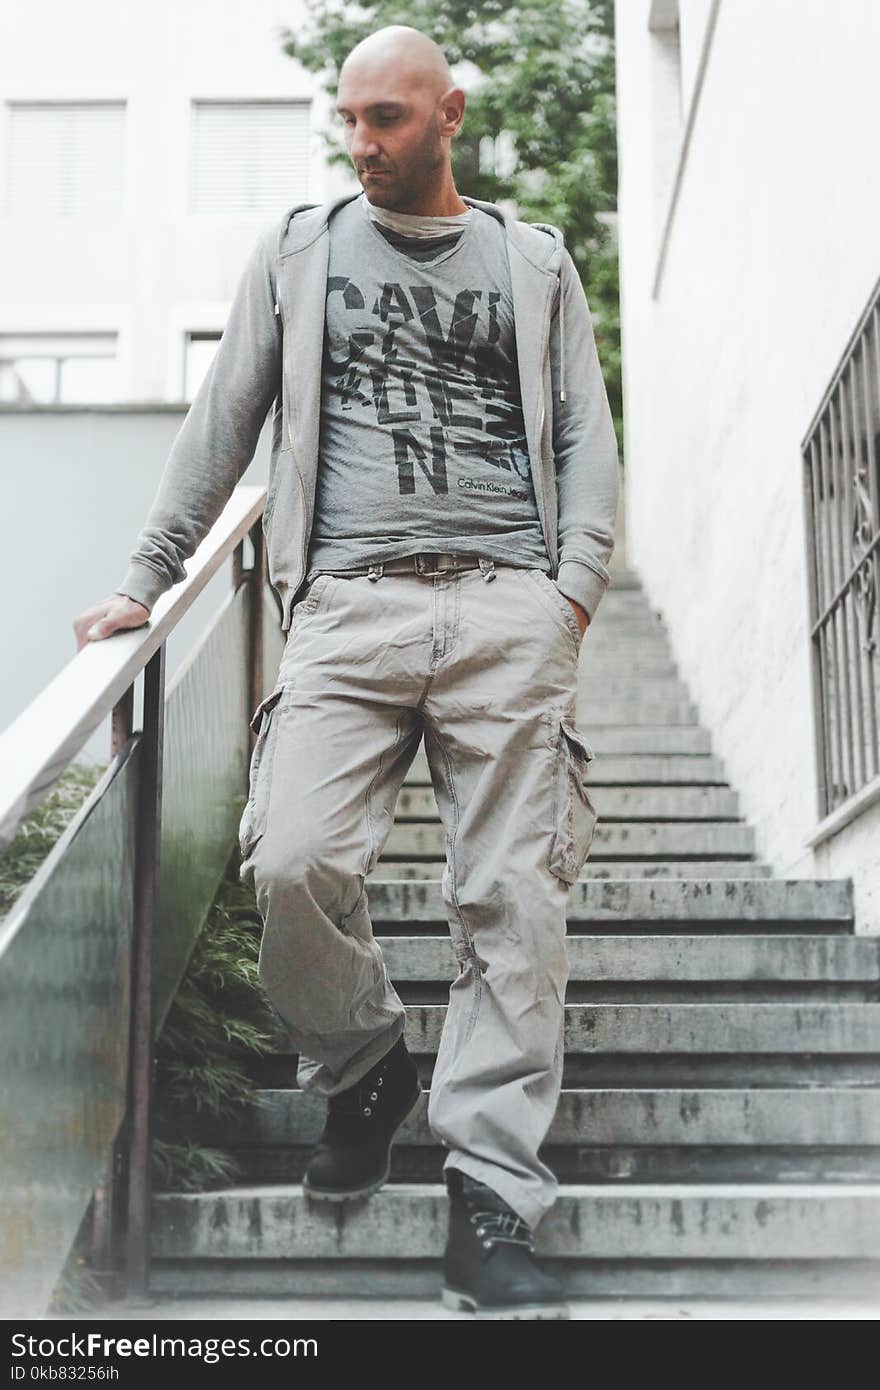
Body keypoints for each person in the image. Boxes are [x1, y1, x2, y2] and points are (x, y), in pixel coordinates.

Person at [73, 24, 619, 1320]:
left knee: (512, 906)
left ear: (451, 117)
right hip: (347, 611)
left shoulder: (533, 262)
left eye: (386, 120)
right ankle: (366, 1058)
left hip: (506, 609)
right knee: (293, 855)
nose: (360, 145)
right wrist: (146, 579)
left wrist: (572, 596)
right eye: (351, 121)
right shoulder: (303, 250)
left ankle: (489, 1201)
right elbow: (223, 429)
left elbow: (585, 440)